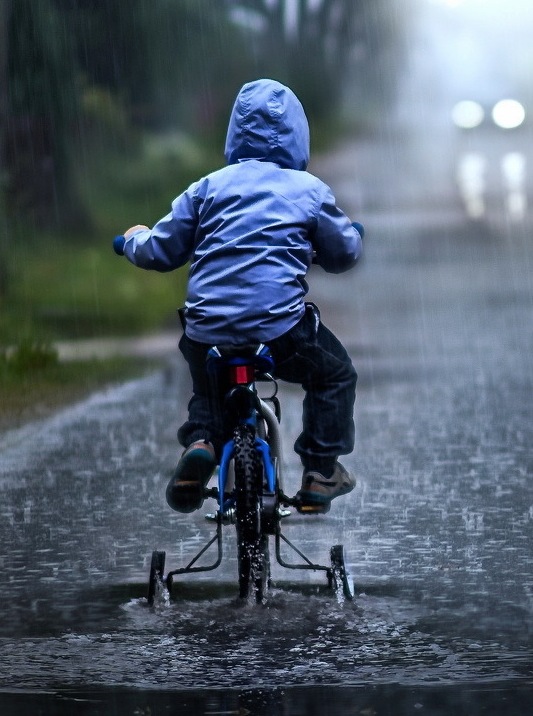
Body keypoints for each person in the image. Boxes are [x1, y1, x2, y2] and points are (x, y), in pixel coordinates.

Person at [113, 79, 363, 514]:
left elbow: (161, 250)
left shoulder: (207, 188)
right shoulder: (308, 190)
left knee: (210, 392)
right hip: (279, 331)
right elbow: (342, 254)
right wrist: (349, 239)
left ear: (234, 133)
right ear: (297, 134)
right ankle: (321, 471)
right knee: (333, 375)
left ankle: (203, 443)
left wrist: (133, 239)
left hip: (208, 328)